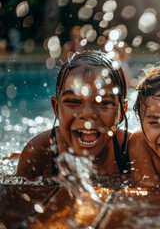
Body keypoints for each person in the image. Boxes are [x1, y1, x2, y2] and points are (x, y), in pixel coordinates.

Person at [16, 51, 130, 180]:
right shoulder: (39, 151)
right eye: (73, 101)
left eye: (104, 103)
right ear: (56, 108)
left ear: (122, 112)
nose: (88, 114)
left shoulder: (130, 151)